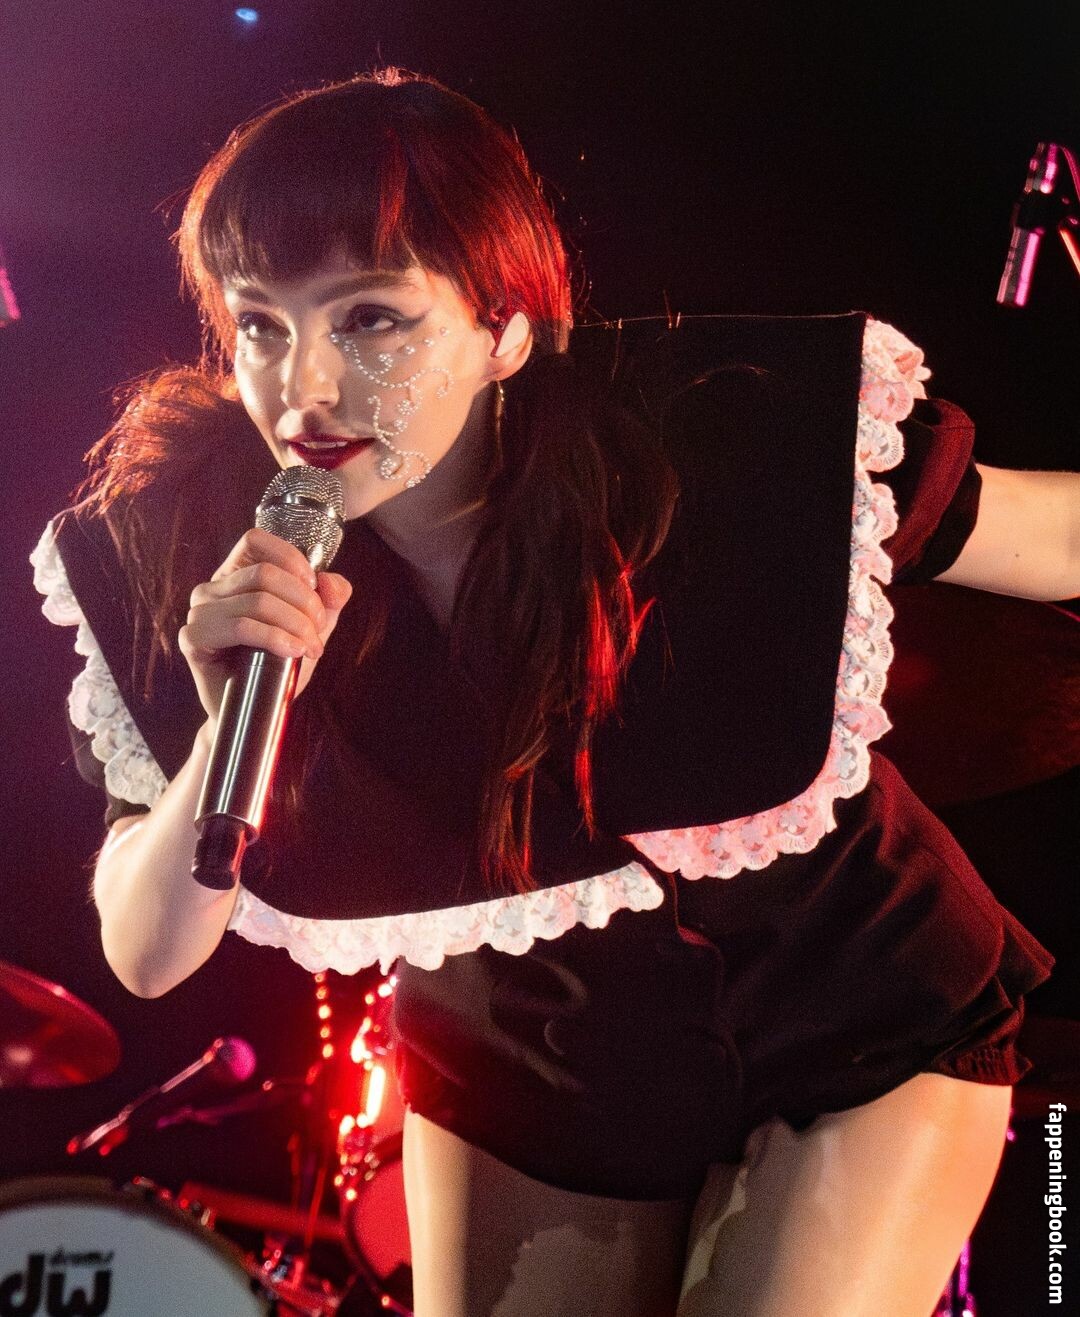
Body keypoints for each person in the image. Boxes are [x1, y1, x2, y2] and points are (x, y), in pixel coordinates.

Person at [32, 71, 1078, 1316]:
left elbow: (1047, 535)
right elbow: (150, 954)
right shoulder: (184, 539)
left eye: (369, 318)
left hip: (855, 1001)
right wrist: (228, 721)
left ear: (508, 331)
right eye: (259, 324)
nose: (302, 387)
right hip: (528, 1059)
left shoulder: (711, 433)